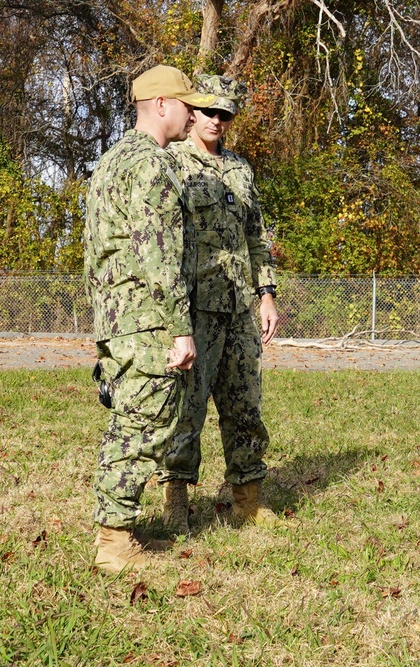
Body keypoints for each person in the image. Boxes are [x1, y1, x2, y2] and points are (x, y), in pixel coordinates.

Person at [84, 65, 217, 573]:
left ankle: (118, 533)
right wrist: (181, 330)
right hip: (148, 321)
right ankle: (114, 544)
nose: (192, 114)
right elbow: (161, 256)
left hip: (120, 318)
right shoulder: (151, 166)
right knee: (142, 428)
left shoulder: (111, 162)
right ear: (161, 105)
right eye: (186, 103)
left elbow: (101, 251)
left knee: (132, 422)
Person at [158, 74, 279, 533]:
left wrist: (265, 294)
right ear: (192, 113)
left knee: (245, 403)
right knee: (186, 407)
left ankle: (247, 499)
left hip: (237, 308)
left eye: (225, 114)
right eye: (210, 111)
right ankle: (175, 500)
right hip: (192, 310)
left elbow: (255, 237)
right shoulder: (171, 164)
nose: (217, 121)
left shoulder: (240, 170)